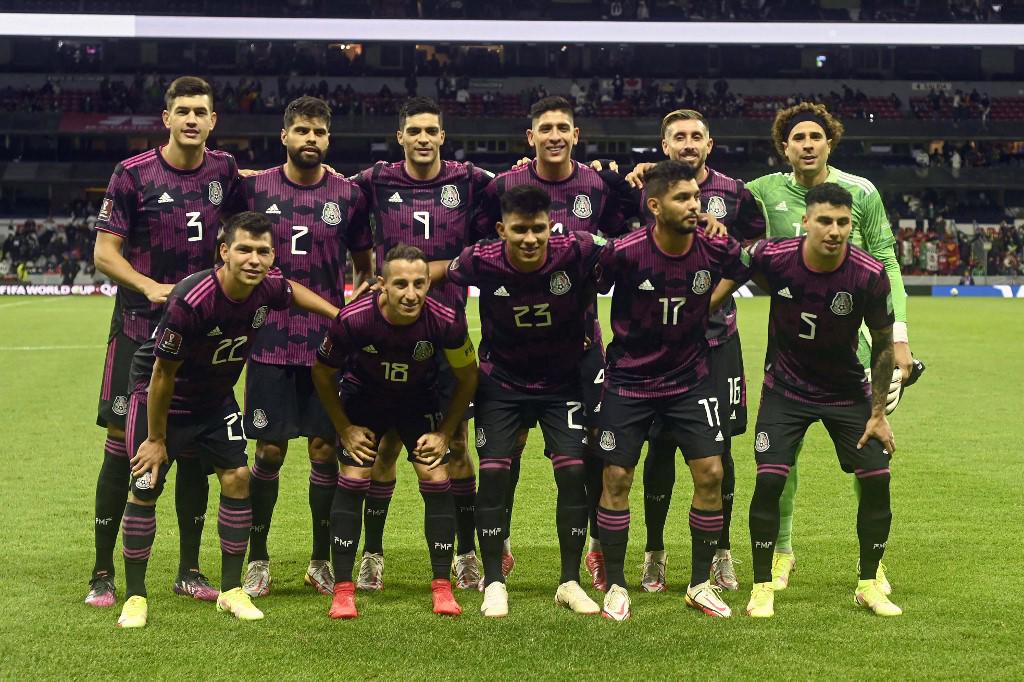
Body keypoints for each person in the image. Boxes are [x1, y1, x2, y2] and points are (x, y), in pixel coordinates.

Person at [115, 211, 342, 628]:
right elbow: (162, 373)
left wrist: (337, 316)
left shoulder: (266, 287)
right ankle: (135, 596)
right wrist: (157, 439)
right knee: (146, 484)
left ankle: (233, 590)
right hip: (162, 398)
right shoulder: (194, 298)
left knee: (237, 478)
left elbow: (293, 291)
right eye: (244, 250)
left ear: (273, 255)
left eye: (263, 251)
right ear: (224, 252)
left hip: (215, 399)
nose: (254, 259)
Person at [744, 102, 913, 592]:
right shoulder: (763, 192)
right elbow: (708, 193)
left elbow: (886, 259)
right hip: (791, 347)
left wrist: (898, 337)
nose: (807, 144)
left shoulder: (861, 192)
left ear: (829, 142)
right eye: (798, 138)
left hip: (856, 348)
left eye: (816, 136)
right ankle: (782, 551)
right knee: (781, 458)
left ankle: (872, 564)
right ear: (785, 147)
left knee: (870, 452)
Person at [712, 183, 902, 618]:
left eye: (842, 223)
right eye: (824, 221)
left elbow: (883, 345)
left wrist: (877, 414)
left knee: (876, 478)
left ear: (851, 225)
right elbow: (730, 267)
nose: (834, 230)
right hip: (786, 391)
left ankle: (869, 584)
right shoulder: (774, 256)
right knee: (770, 481)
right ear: (806, 222)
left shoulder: (869, 273)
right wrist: (706, 306)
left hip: (846, 392)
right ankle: (762, 587)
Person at [88, 76, 239, 608]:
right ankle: (103, 572)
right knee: (121, 450)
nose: (193, 119)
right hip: (137, 330)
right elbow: (105, 253)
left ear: (213, 120)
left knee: (196, 450)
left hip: (200, 334)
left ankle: (189, 570)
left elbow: (259, 206)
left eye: (202, 110)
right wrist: (150, 286)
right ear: (167, 117)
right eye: (184, 111)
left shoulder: (225, 171)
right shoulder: (132, 174)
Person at [476, 95, 633, 580]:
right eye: (545, 128)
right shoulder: (504, 185)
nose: (555, 136)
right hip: (508, 347)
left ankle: (595, 549)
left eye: (563, 127)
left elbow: (619, 242)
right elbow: (480, 246)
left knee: (587, 451)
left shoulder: (598, 184)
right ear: (531, 137)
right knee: (506, 453)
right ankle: (497, 548)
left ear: (575, 135)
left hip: (581, 346)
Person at [608, 108, 765, 594]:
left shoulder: (735, 193)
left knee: (719, 450)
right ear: (665, 144)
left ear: (709, 144)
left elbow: (752, 250)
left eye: (697, 135)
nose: (688, 143)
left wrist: (709, 300)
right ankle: (654, 550)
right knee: (657, 443)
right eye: (679, 136)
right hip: (654, 348)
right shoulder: (643, 189)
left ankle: (720, 553)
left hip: (716, 342)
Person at [229, 96, 374, 599]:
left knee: (323, 449)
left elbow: (364, 260)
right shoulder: (252, 188)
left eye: (318, 132)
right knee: (267, 451)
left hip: (327, 349)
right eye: (302, 131)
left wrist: (357, 303)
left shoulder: (348, 195)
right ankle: (259, 559)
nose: (310, 139)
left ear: (328, 140)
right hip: (268, 343)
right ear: (284, 135)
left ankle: (319, 560)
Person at [349, 97, 493, 590]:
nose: (424, 138)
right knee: (385, 447)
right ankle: (372, 554)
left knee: (456, 447)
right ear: (401, 137)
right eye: (415, 131)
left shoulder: (470, 180)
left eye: (432, 130)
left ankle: (467, 553)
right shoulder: (375, 181)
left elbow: (521, 190)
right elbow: (325, 198)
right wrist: (362, 276)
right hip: (388, 336)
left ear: (442, 136)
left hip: (447, 335)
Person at [442, 185, 604, 618]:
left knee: (573, 475)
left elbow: (624, 255)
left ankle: (569, 582)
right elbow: (441, 274)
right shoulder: (479, 259)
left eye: (538, 229)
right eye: (519, 230)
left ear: (550, 227)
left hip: (563, 383)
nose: (530, 239)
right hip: (502, 383)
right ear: (501, 230)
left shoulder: (578, 249)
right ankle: (494, 581)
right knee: (493, 475)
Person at [312, 244, 478, 619]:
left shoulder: (445, 319)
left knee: (436, 475)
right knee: (354, 475)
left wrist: (445, 432)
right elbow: (322, 373)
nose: (411, 293)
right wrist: (345, 428)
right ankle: (343, 589)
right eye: (401, 284)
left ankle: (442, 586)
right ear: (382, 285)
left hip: (418, 399)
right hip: (364, 399)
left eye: (420, 283)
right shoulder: (354, 319)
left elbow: (468, 375)